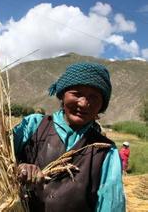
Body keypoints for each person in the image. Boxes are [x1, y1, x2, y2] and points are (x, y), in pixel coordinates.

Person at [13, 62, 125, 212]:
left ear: (102, 105)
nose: (84, 103)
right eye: (77, 93)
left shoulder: (106, 152)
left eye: (94, 97)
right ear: (63, 95)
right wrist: (18, 168)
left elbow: (111, 205)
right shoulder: (33, 125)